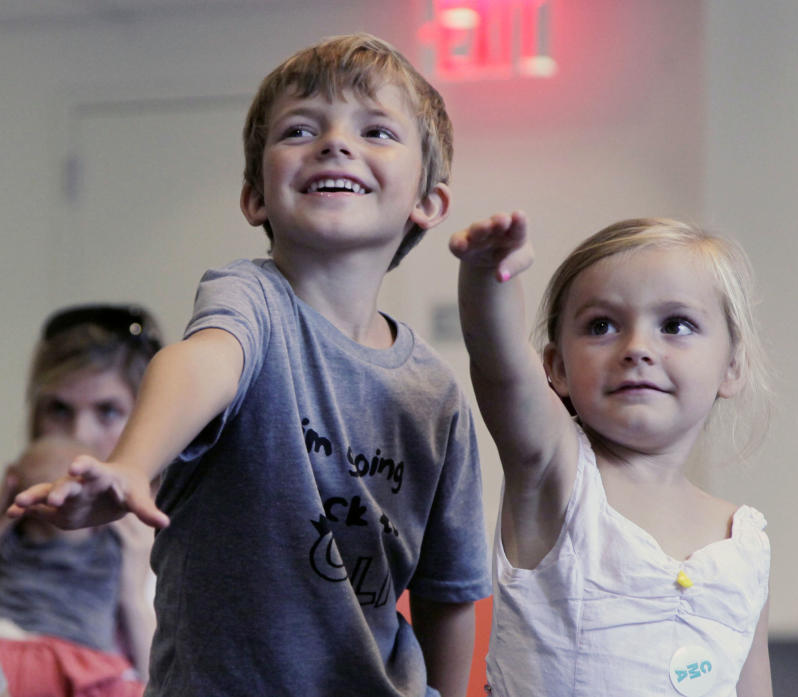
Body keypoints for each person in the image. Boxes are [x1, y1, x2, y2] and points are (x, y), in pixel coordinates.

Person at [10, 33, 490, 696]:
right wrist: (131, 462)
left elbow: (448, 588)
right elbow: (201, 360)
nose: (335, 142)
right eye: (301, 129)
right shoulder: (251, 300)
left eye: (376, 130)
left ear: (428, 202)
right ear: (255, 195)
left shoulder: (435, 394)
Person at [450, 214, 773, 696]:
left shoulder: (743, 543)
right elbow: (500, 364)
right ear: (556, 368)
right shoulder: (555, 474)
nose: (637, 348)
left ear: (732, 366)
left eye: (676, 325)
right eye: (602, 325)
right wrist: (488, 275)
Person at [0, 303, 162, 686]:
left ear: (146, 419)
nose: (81, 436)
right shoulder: (13, 516)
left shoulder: (176, 545)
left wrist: (134, 594)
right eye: (59, 409)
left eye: (107, 411)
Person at [0, 437, 144, 697]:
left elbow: (157, 672)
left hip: (88, 663)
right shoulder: (9, 532)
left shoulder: (120, 542)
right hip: (15, 644)